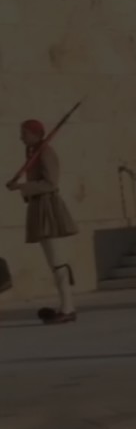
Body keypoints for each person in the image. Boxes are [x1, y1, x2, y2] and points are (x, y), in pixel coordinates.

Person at [7, 119, 78, 324]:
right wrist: (20, 187)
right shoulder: (32, 153)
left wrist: (23, 187)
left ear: (35, 134)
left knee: (57, 261)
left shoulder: (45, 152)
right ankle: (65, 306)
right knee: (53, 261)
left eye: (25, 133)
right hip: (38, 207)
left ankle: (68, 307)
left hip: (48, 207)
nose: (21, 137)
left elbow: (50, 183)